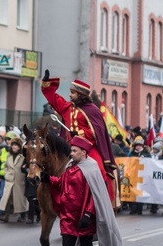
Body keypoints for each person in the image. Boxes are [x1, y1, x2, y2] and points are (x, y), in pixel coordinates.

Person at [48, 137, 123, 246]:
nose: (72, 153)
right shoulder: (69, 166)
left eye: (75, 151)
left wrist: (88, 214)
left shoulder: (92, 168)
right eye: (71, 150)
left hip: (83, 216)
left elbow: (94, 194)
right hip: (68, 215)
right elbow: (62, 183)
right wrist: (48, 179)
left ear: (83, 152)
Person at [41, 71, 117, 203]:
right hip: (69, 149)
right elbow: (53, 99)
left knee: (99, 169)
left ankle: (100, 202)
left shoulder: (93, 110)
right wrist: (47, 85)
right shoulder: (68, 108)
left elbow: (96, 134)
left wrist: (80, 135)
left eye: (73, 93)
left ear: (81, 95)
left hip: (88, 149)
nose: (70, 95)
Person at [0, 137, 29, 222]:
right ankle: (6, 215)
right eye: (13, 145)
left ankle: (22, 215)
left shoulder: (23, 156)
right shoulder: (9, 156)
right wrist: (6, 174)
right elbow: (5, 166)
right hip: (9, 180)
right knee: (7, 198)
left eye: (16, 145)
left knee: (20, 199)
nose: (14, 147)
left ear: (19, 147)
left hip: (19, 180)